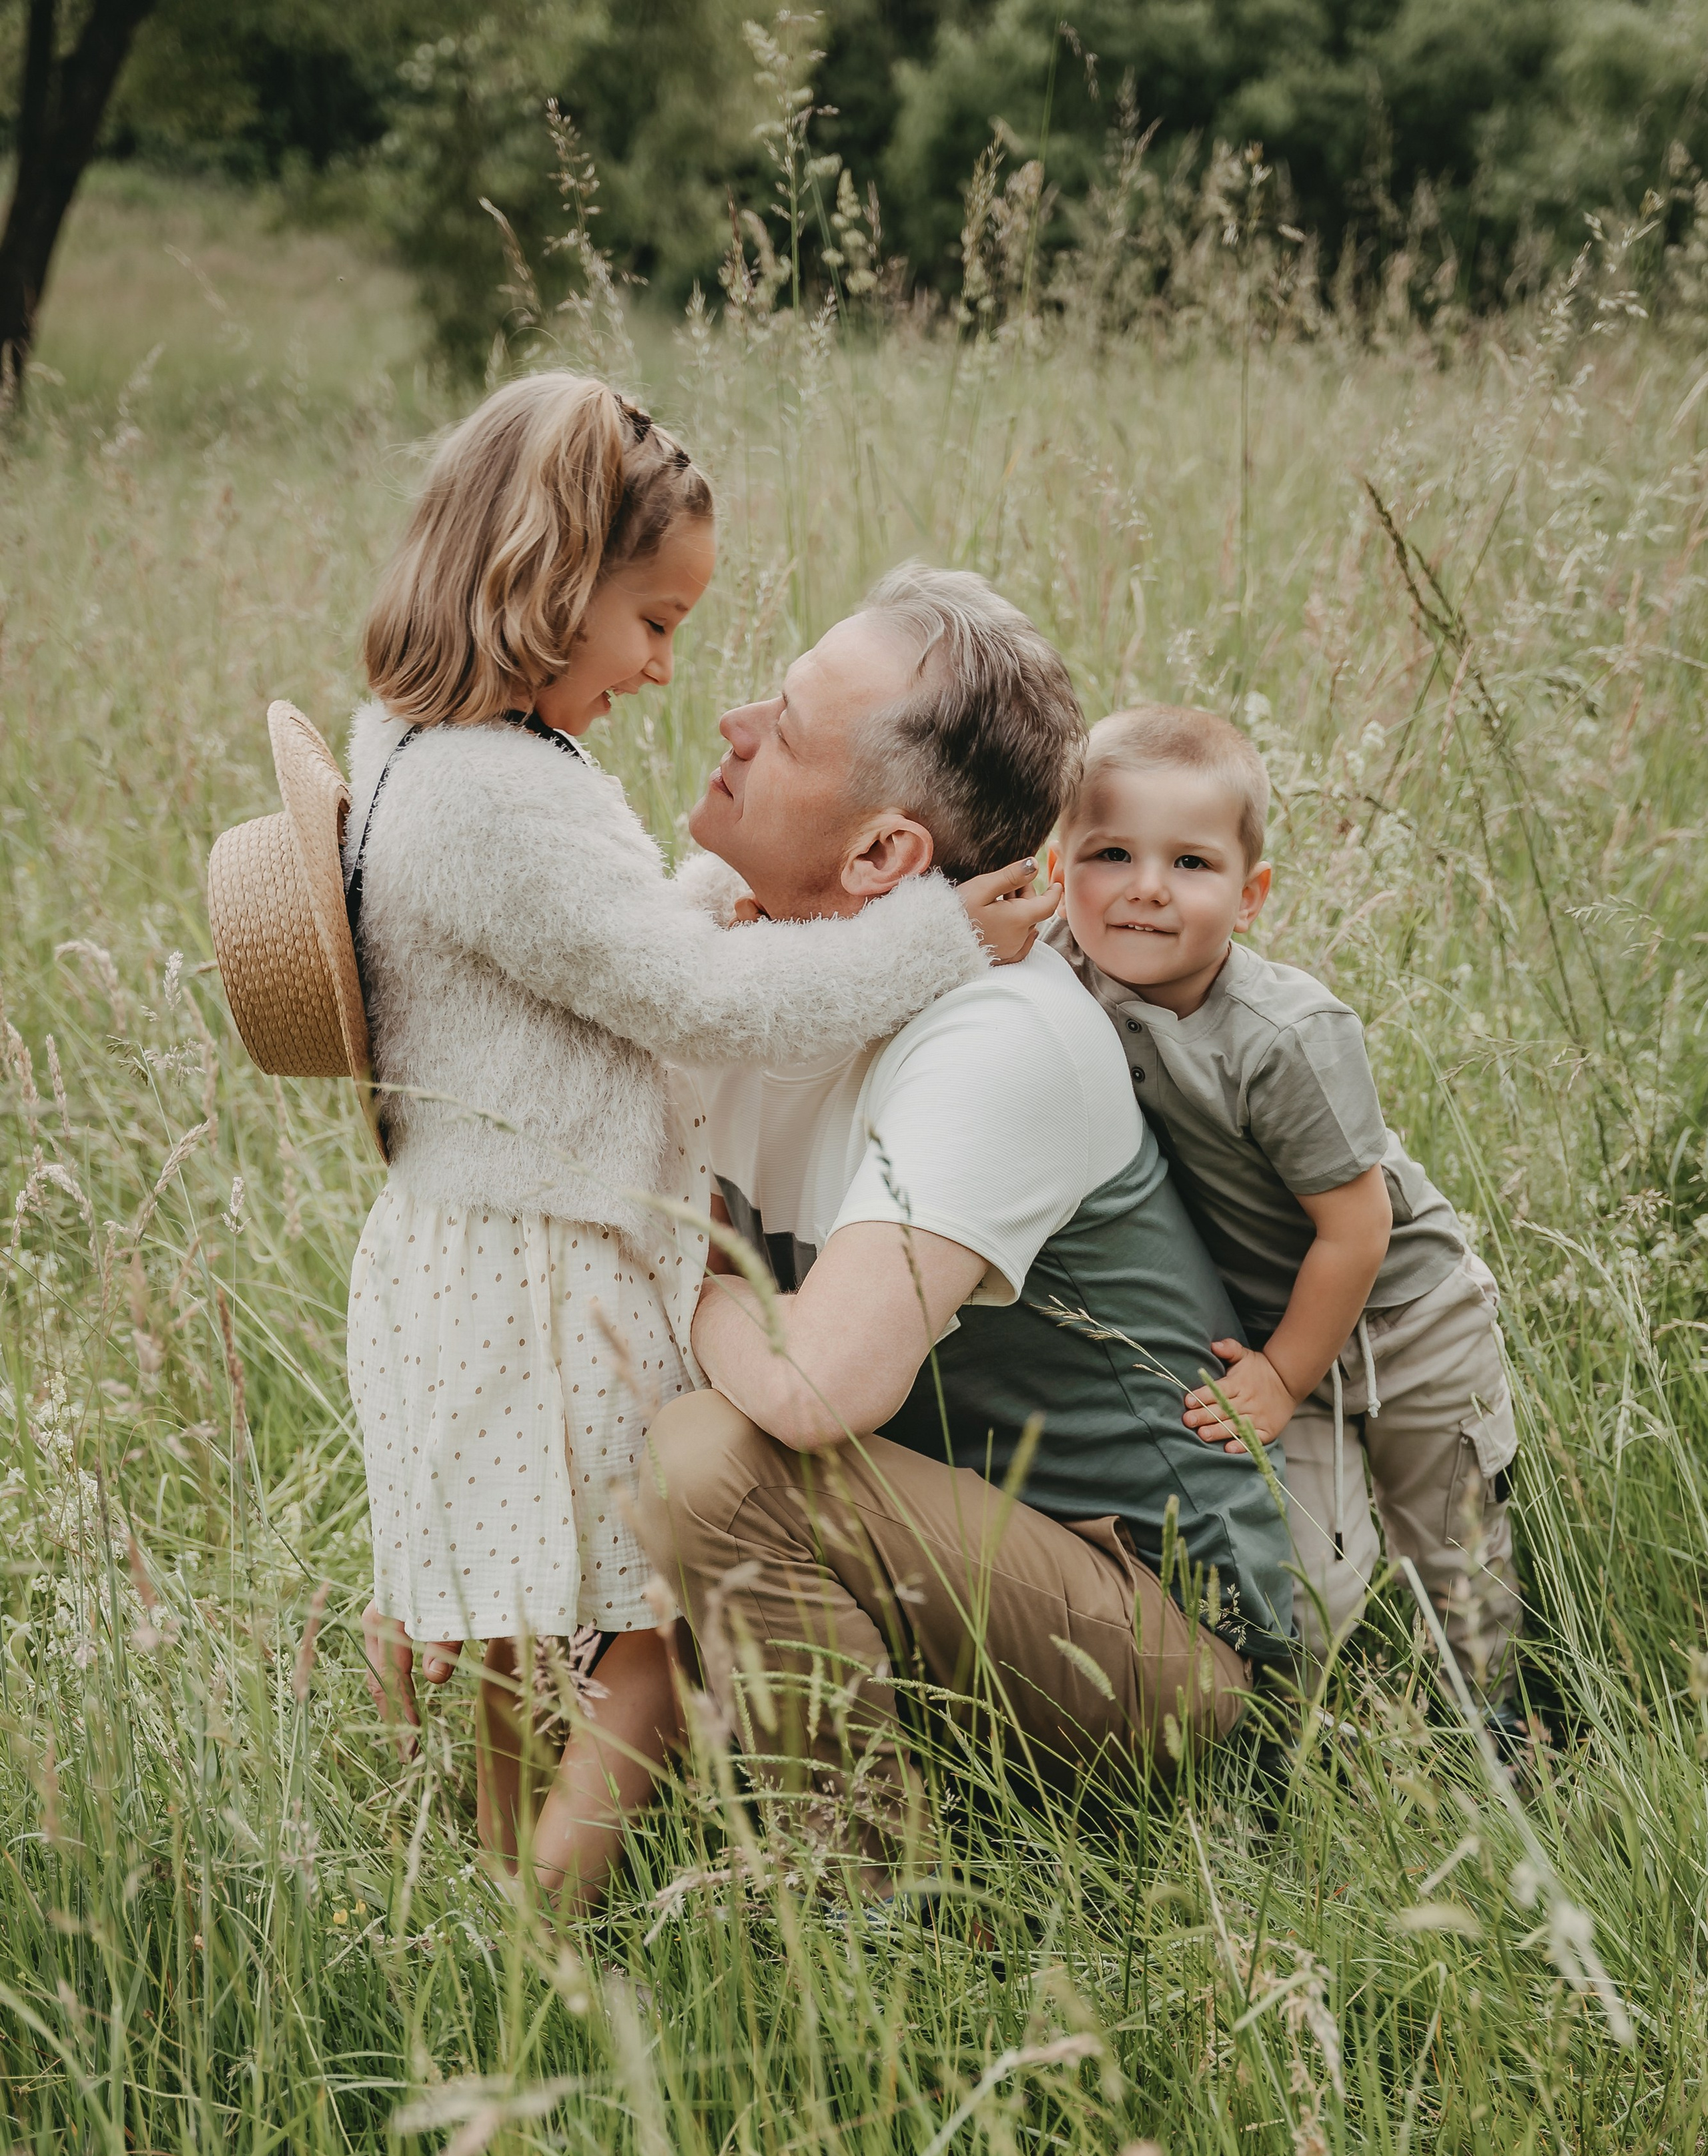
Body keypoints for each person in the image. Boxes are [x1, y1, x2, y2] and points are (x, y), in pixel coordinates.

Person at [346, 374, 1050, 1907]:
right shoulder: (497, 797)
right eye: (654, 623)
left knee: (496, 1612)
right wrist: (929, 940)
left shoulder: (435, 752)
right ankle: (538, 1930)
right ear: (547, 586)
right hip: (547, 1271)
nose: (669, 671)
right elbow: (687, 1002)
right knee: (635, 1638)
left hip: (477, 1241)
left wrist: (703, 899)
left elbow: (590, 977)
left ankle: (473, 1882)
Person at [634, 569, 1298, 1882]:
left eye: (788, 723)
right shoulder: (737, 946)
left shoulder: (999, 1037)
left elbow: (815, 1391)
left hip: (1161, 1646)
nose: (731, 720)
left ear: (883, 855)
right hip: (942, 1570)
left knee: (710, 1459)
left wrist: (671, 1230)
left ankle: (865, 1926)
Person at [1044, 702, 1521, 1704]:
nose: (1143, 890)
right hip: (1265, 1325)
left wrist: (1283, 1378)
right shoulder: (1059, 975)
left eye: (1191, 865)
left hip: (1408, 1320)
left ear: (1251, 894)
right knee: (1306, 1579)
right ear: (1057, 867)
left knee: (1457, 1557)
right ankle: (1304, 1752)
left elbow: (1359, 1228)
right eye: (1110, 853)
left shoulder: (1285, 1036)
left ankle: (1507, 1745)